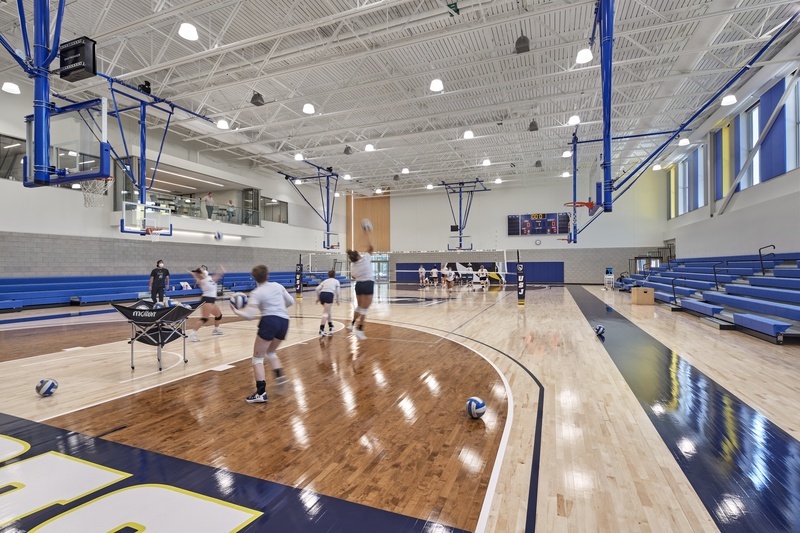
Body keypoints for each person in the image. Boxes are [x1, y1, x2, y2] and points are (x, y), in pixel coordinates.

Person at [231, 265, 293, 403]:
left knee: (257, 358)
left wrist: (237, 312)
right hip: (284, 321)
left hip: (269, 321)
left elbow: (249, 315)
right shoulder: (277, 286)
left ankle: (261, 393)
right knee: (271, 352)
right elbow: (291, 301)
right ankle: (278, 374)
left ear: (255, 278)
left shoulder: (256, 293)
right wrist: (279, 310)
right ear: (268, 276)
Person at [346, 225, 374, 340]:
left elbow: (353, 276)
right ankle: (360, 329)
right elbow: (371, 247)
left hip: (359, 285)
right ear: (358, 255)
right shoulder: (365, 259)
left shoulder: (353, 266)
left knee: (359, 307)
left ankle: (352, 324)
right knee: (364, 308)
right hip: (368, 284)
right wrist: (366, 233)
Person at [188, 265, 225, 341]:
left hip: (212, 301)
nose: (204, 271)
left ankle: (216, 330)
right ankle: (192, 334)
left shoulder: (209, 278)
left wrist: (221, 270)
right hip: (207, 300)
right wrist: (194, 274)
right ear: (200, 274)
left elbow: (218, 275)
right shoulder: (202, 281)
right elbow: (197, 276)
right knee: (205, 318)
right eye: (202, 271)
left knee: (219, 315)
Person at [315, 270, 340, 336]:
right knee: (325, 313)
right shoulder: (336, 281)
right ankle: (321, 329)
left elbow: (317, 289)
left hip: (322, 294)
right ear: (335, 275)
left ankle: (331, 326)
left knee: (328, 311)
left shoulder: (325, 281)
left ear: (328, 275)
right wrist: (337, 300)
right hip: (329, 295)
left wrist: (318, 298)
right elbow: (338, 292)